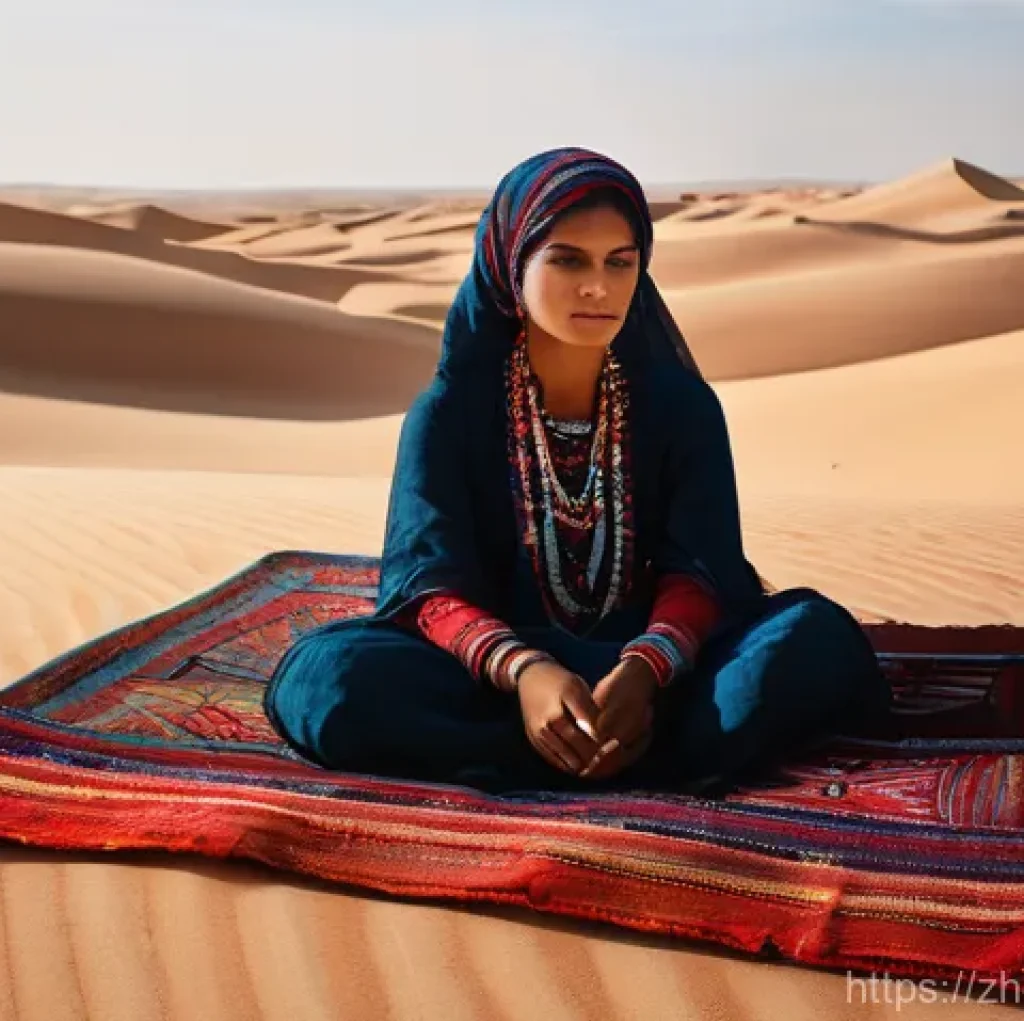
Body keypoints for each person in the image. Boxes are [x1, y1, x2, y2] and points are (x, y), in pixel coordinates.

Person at [264, 147, 891, 795]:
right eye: (567, 260)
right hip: (494, 671)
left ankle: (576, 744)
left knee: (809, 640)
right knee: (330, 682)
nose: (598, 287)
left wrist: (646, 668)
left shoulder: (680, 406)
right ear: (511, 266)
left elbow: (701, 569)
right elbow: (428, 587)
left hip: (658, 665)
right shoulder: (450, 414)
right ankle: (626, 748)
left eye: (620, 262)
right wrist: (527, 673)